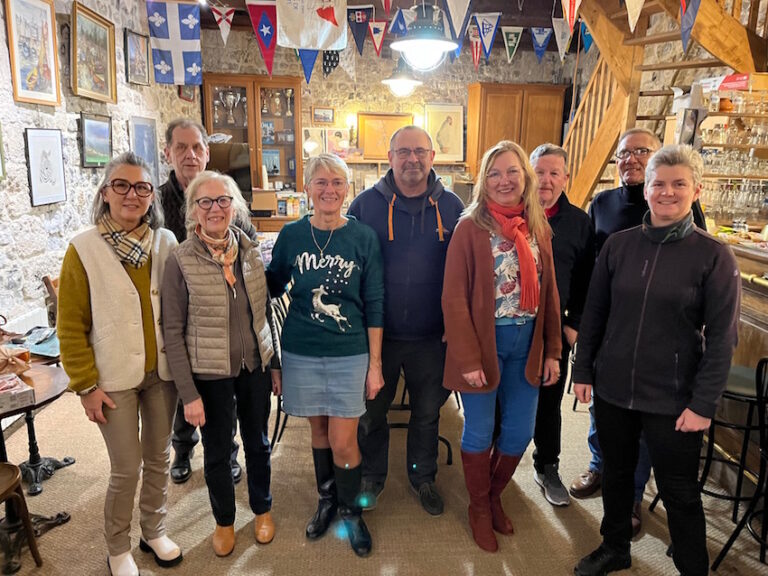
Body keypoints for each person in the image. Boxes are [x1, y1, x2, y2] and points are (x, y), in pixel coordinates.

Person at [572, 145, 739, 576]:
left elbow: (723, 340)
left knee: (678, 490)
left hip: (673, 398)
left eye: (678, 184)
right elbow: (594, 314)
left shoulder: (714, 256)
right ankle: (615, 548)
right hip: (613, 389)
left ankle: (691, 566)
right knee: (615, 474)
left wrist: (703, 405)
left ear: (696, 190)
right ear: (645, 190)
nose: (667, 192)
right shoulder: (618, 247)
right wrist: (583, 369)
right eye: (658, 184)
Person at [58, 152, 182, 576]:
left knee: (159, 457)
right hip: (112, 379)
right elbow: (70, 325)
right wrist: (85, 386)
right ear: (105, 193)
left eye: (142, 187)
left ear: (152, 196)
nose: (132, 195)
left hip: (161, 374)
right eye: (122, 186)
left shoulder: (165, 243)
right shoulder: (83, 249)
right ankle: (117, 546)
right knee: (126, 468)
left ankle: (154, 529)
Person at [442, 140, 561, 552]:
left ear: (525, 178)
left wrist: (552, 350)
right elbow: (453, 298)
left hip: (527, 343)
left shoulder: (537, 224)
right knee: (479, 429)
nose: (504, 180)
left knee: (519, 431)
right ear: (483, 182)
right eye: (494, 173)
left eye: (512, 172)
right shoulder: (469, 227)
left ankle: (493, 496)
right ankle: (478, 508)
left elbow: (550, 293)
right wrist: (468, 358)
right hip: (483, 344)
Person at [266, 154, 384, 557]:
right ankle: (327, 500)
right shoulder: (292, 235)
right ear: (308, 188)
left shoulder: (363, 237)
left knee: (343, 439)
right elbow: (273, 284)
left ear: (347, 189)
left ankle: (352, 511)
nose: (329, 189)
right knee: (318, 432)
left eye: (337, 182)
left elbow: (375, 301)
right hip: (302, 349)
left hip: (349, 351)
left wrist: (376, 364)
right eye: (320, 181)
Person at [161, 171, 278, 557]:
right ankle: (224, 521)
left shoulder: (250, 249)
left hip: (254, 367)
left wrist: (272, 361)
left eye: (223, 200)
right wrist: (188, 394)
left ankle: (262, 509)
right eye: (205, 202)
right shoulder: (180, 260)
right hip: (208, 375)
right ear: (192, 211)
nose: (215, 209)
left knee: (259, 444)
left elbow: (263, 312)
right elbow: (173, 333)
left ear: (235, 206)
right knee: (216, 453)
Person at [349, 126, 464, 516]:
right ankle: (371, 478)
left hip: (433, 337)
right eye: (404, 152)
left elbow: (464, 272)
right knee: (371, 415)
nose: (412, 159)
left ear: (432, 156)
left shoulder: (452, 208)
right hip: (377, 337)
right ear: (390, 156)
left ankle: (422, 477)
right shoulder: (364, 206)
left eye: (419, 152)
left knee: (428, 414)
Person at [161, 118, 257, 485]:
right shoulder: (158, 201)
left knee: (223, 393)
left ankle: (227, 451)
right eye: (182, 148)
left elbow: (248, 242)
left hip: (223, 316)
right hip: (177, 306)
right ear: (168, 152)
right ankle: (183, 448)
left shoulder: (226, 196)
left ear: (207, 152)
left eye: (197, 147)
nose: (191, 155)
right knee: (182, 386)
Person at [530, 144, 595, 507]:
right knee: (503, 402)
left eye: (555, 173)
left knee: (548, 401)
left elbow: (587, 281)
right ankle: (497, 465)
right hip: (511, 327)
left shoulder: (579, 223)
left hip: (556, 332)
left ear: (566, 178)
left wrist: (574, 326)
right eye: (539, 172)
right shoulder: (512, 214)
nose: (546, 180)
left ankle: (547, 465)